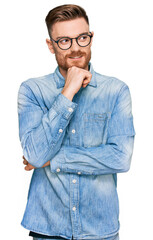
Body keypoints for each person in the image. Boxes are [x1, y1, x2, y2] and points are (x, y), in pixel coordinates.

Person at [17, 4, 135, 240]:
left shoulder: (115, 91)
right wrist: (67, 93)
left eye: (82, 38)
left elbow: (120, 157)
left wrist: (55, 159)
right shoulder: (32, 90)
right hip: (47, 229)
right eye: (64, 41)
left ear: (91, 38)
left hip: (100, 230)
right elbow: (35, 155)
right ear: (51, 45)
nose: (75, 48)